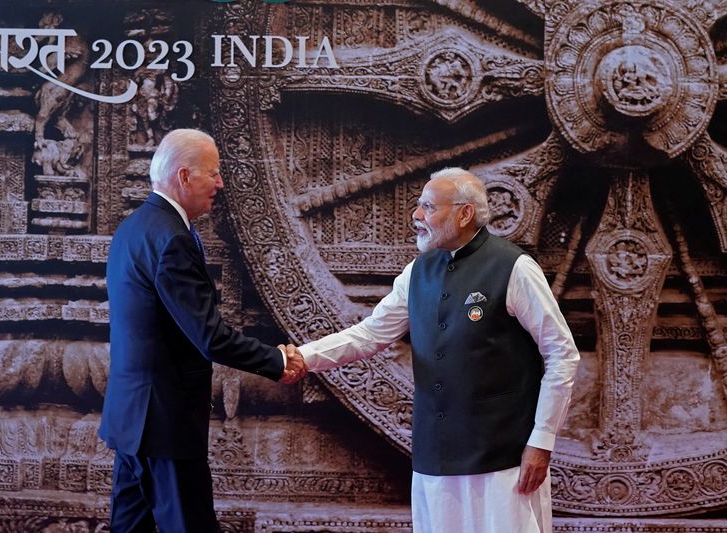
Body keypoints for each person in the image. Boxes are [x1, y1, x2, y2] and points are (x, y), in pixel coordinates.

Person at [296, 167, 579, 532]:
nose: (416, 216)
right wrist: (301, 357)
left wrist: (542, 441)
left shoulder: (514, 268)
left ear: (464, 214)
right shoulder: (417, 272)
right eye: (418, 206)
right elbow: (370, 334)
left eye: (428, 207)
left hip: (502, 459)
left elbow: (561, 353)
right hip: (435, 457)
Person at [100, 128, 306, 532]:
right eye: (213, 173)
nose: (220, 183)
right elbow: (209, 336)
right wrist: (276, 360)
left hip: (131, 419)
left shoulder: (133, 227)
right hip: (165, 424)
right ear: (184, 176)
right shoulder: (172, 239)